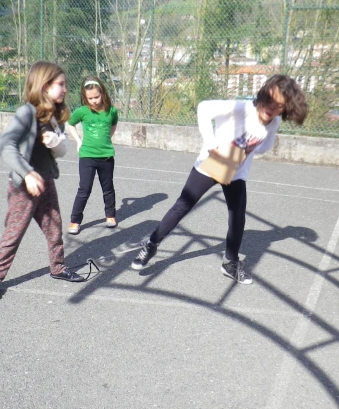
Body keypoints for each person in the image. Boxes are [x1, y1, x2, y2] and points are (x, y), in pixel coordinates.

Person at [131, 75, 308, 284]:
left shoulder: (274, 121)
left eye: (279, 106)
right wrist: (213, 144)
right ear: (263, 93)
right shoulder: (241, 108)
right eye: (270, 100)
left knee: (238, 217)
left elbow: (267, 145)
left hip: (236, 171)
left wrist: (246, 149)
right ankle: (151, 244)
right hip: (211, 163)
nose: (272, 108)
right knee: (183, 205)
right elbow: (204, 108)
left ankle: (230, 263)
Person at [0, 61, 83, 302]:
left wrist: (55, 143)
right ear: (45, 85)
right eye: (61, 84)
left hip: (45, 181)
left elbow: (60, 149)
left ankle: (57, 268)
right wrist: (27, 173)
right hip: (24, 188)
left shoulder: (52, 115)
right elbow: (5, 145)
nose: (65, 89)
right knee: (14, 232)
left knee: (54, 228)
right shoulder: (26, 112)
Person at [65, 77, 119, 235]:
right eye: (90, 98)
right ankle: (75, 221)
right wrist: (78, 141)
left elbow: (114, 124)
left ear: (102, 93)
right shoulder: (82, 111)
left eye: (96, 97)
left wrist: (108, 138)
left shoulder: (111, 111)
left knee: (108, 188)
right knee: (84, 189)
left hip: (106, 156)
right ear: (84, 97)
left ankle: (110, 216)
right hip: (87, 156)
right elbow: (70, 124)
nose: (94, 101)